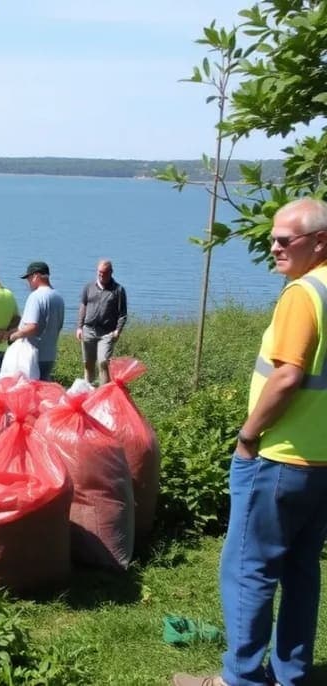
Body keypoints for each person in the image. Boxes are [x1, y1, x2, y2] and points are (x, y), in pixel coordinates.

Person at [173, 198, 327, 686]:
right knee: (302, 572)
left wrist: (247, 436)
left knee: (248, 570)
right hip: (321, 462)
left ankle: (240, 678)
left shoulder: (304, 294)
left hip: (279, 458)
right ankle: (292, 673)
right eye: (273, 237)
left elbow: (287, 377)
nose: (275, 246)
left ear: (319, 242)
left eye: (287, 239)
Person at [7, 261, 65, 381]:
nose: (28, 282)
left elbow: (32, 327)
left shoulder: (36, 296)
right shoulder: (58, 297)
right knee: (43, 387)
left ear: (36, 276)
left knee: (30, 390)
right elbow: (58, 325)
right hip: (50, 354)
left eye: (28, 278)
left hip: (33, 355)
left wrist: (13, 336)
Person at [76, 259, 127, 385]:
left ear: (111, 272)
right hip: (88, 330)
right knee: (88, 363)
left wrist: (118, 331)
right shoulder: (89, 287)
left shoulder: (118, 290)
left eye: (104, 273)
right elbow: (83, 306)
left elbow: (123, 314)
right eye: (99, 272)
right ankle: (89, 390)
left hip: (107, 332)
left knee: (103, 361)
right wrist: (79, 327)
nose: (101, 275)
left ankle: (103, 394)